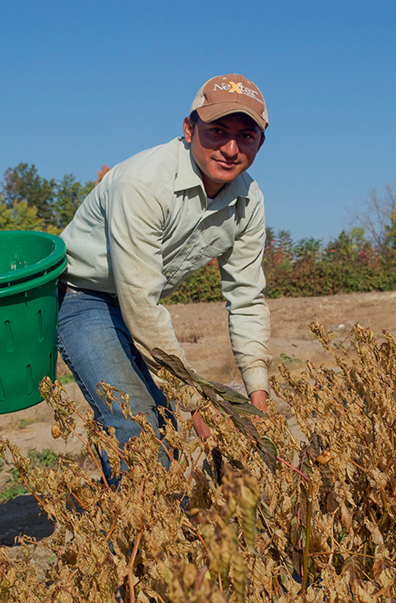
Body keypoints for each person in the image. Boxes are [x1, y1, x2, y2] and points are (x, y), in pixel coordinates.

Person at [57, 73, 272, 482]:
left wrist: (257, 399)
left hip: (138, 299)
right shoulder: (143, 183)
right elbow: (141, 302)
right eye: (217, 131)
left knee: (165, 418)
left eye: (245, 136)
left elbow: (246, 296)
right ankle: (136, 536)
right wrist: (195, 403)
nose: (230, 148)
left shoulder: (249, 199)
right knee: (134, 419)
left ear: (260, 143)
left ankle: (152, 521)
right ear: (189, 129)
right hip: (84, 296)